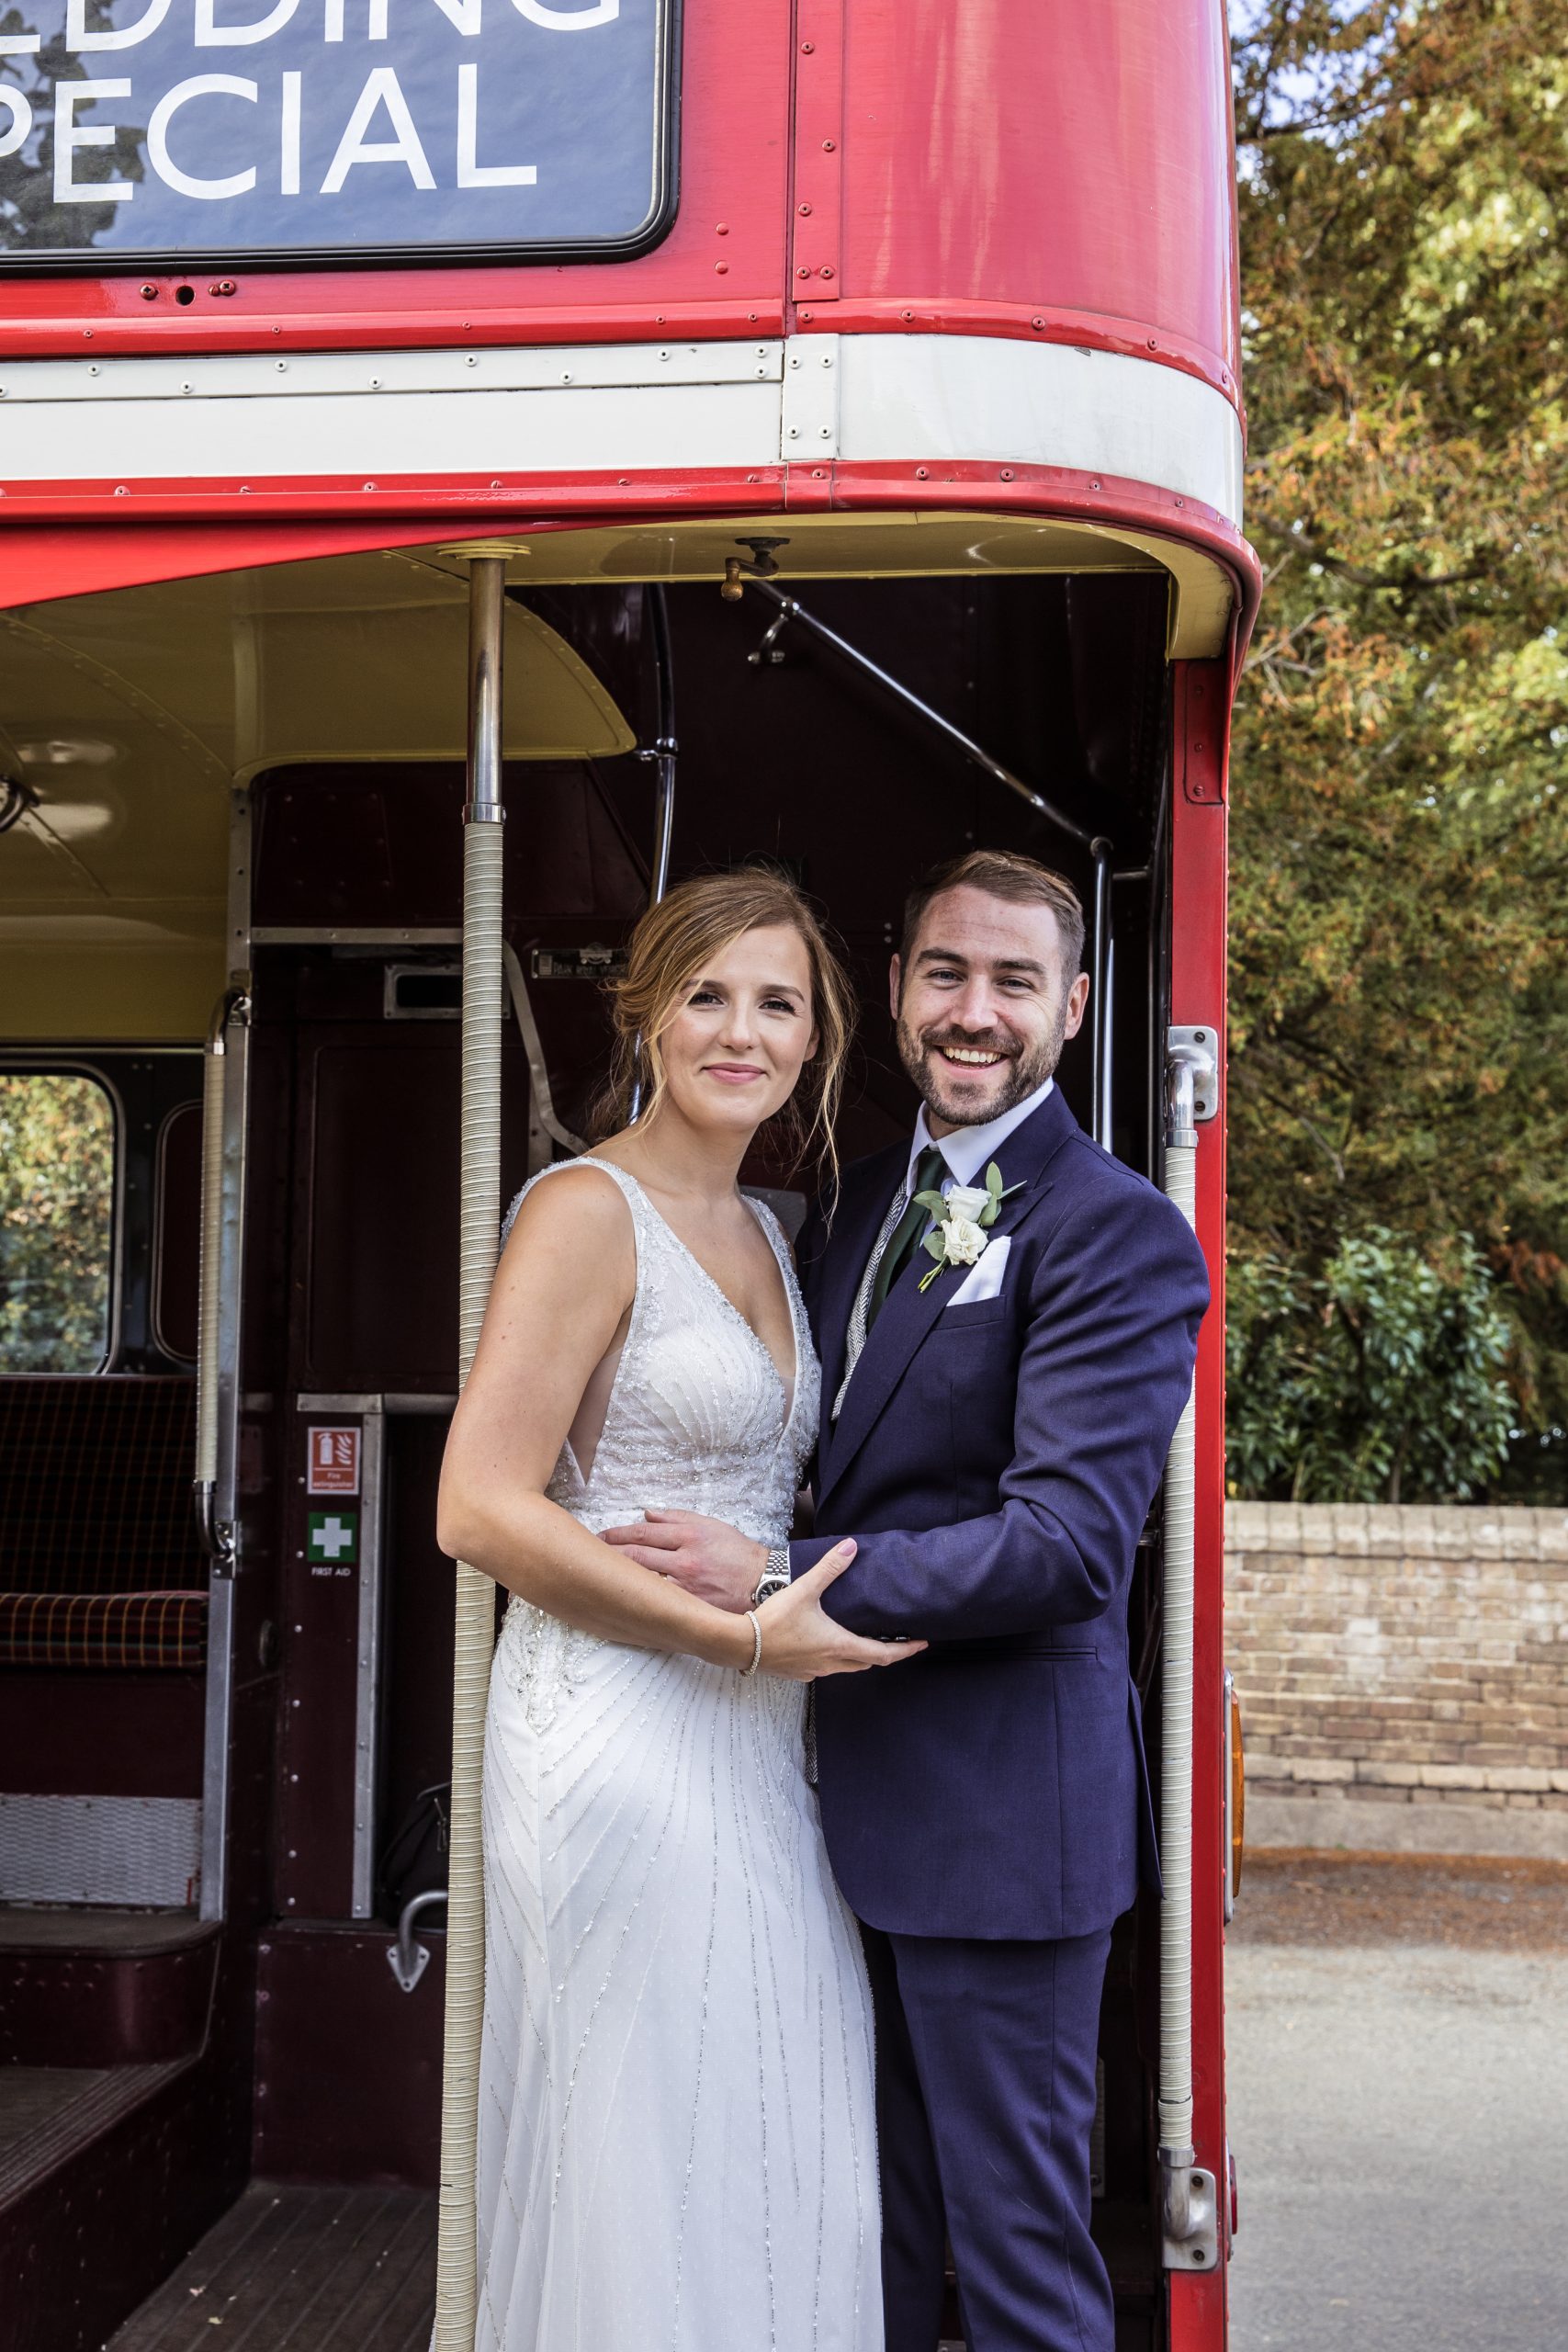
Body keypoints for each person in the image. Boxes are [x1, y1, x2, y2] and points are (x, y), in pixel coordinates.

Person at [604, 849, 1210, 2352]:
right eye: (947, 974)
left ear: (1073, 1007)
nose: (974, 1013)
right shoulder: (851, 1202)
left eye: (1015, 983)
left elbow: (1069, 1544)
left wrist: (777, 1578)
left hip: (1002, 1828)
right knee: (856, 2232)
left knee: (1014, 2255)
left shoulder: (1114, 1226)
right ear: (894, 994)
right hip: (816, 1813)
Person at [437, 867, 924, 2352]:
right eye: (709, 997)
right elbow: (478, 1504)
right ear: (643, 1018)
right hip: (615, 1731)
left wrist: (770, 1638)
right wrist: (733, 1637)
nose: (743, 1032)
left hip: (756, 1739)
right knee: (647, 2154)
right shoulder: (588, 1212)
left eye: (778, 1003)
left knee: (771, 2143)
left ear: (818, 1037)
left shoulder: (773, 1233)